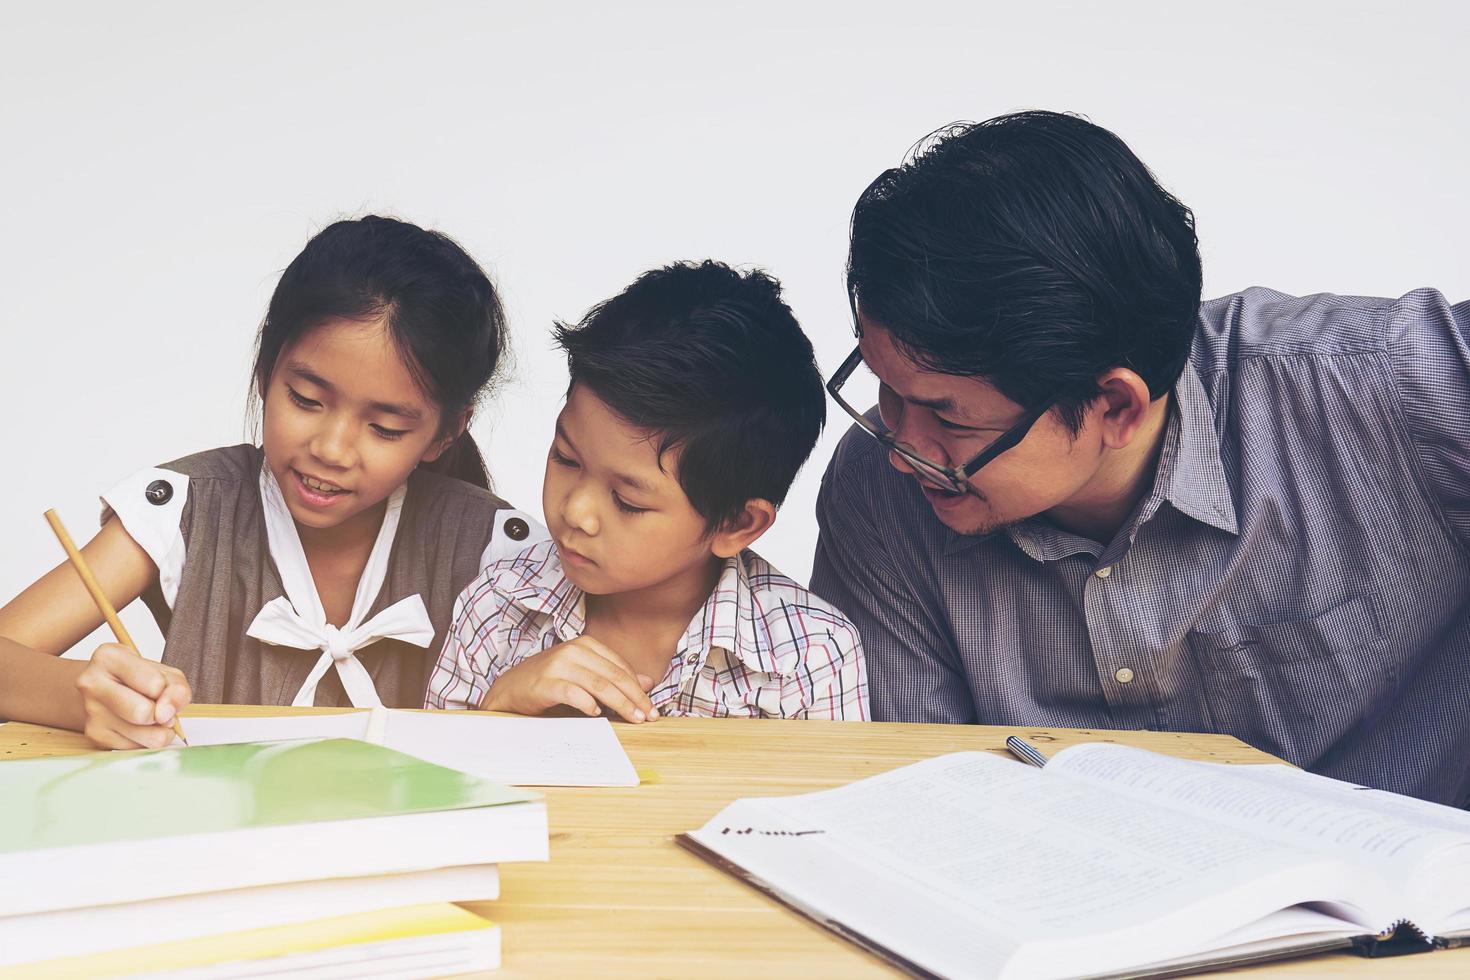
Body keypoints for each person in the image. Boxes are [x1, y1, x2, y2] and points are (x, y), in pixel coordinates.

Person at [810, 110, 1470, 804]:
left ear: (1117, 406)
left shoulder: (1382, 386)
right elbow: (915, 800)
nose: (898, 449)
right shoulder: (876, 496)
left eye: (946, 415)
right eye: (885, 388)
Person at [0, 215, 546, 747]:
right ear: (265, 369)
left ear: (444, 434)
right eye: (306, 400)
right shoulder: (187, 511)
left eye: (384, 428)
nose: (331, 449)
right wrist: (83, 696)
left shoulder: (495, 549)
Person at [428, 261, 868, 721]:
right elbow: (432, 783)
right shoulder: (499, 605)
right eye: (566, 458)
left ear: (737, 523)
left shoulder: (811, 657)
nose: (577, 511)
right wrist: (498, 705)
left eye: (628, 501)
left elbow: (830, 793)